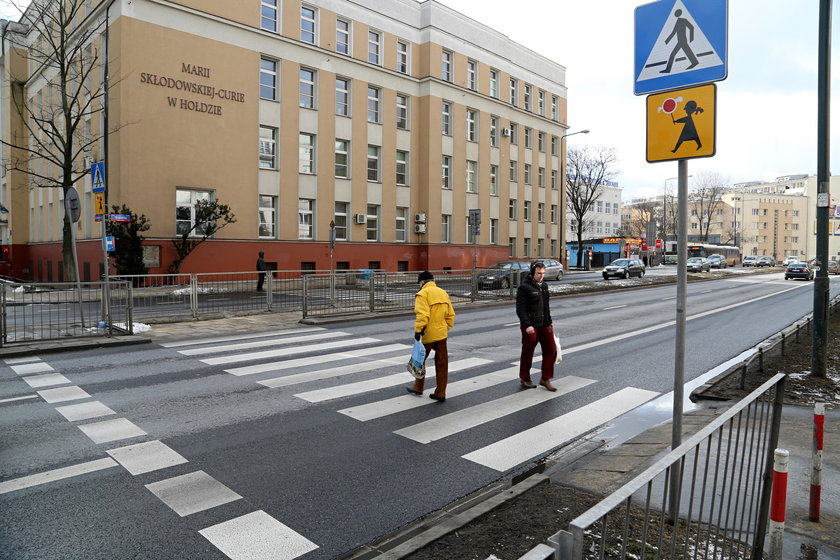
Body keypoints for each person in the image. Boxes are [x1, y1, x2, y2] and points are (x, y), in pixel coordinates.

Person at [407, 270, 455, 402]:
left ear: (422, 282)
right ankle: (440, 393)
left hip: (428, 334)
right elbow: (451, 315)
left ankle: (418, 387)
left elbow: (422, 315)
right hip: (441, 334)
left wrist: (418, 331)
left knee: (419, 360)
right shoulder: (443, 292)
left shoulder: (422, 294)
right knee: (442, 364)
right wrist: (445, 328)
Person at [516, 261, 557, 391]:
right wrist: (527, 325)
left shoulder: (544, 286)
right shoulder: (524, 287)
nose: (541, 276)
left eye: (543, 273)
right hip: (531, 326)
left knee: (552, 350)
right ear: (532, 272)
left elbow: (546, 307)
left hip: (545, 324)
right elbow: (520, 308)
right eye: (539, 273)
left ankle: (545, 378)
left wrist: (550, 322)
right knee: (528, 352)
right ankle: (525, 378)